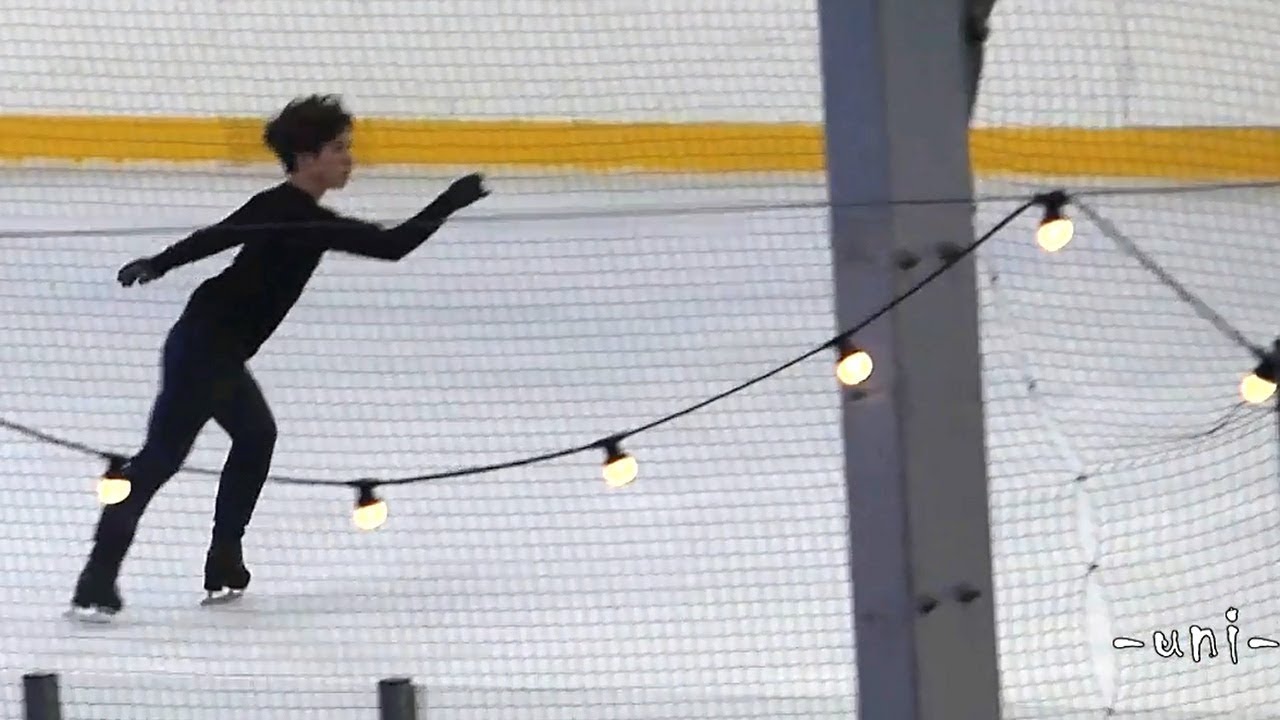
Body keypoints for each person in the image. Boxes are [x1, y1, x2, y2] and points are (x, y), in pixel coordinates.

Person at [68, 94, 489, 618]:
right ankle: (102, 575)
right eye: (339, 149)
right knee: (164, 459)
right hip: (204, 347)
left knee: (248, 438)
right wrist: (449, 201)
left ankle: (218, 557)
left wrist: (160, 264)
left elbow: (385, 245)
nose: (349, 159)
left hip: (210, 346)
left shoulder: (301, 215)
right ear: (308, 157)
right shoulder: (287, 211)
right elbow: (218, 238)